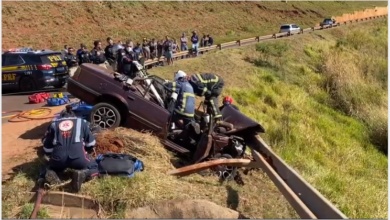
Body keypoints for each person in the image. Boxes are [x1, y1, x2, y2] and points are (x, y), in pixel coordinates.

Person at [40, 106, 98, 192]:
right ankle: (83, 174)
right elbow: (91, 143)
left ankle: (52, 172)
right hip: (78, 158)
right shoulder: (81, 122)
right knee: (95, 166)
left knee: (49, 167)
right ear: (74, 116)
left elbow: (47, 149)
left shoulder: (53, 124)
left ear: (61, 117)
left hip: (58, 159)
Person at [164, 70, 200, 143]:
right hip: (190, 113)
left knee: (168, 118)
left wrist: (166, 82)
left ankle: (166, 133)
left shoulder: (181, 83)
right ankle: (189, 139)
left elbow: (169, 86)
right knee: (187, 128)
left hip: (181, 110)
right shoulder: (190, 86)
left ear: (179, 77)